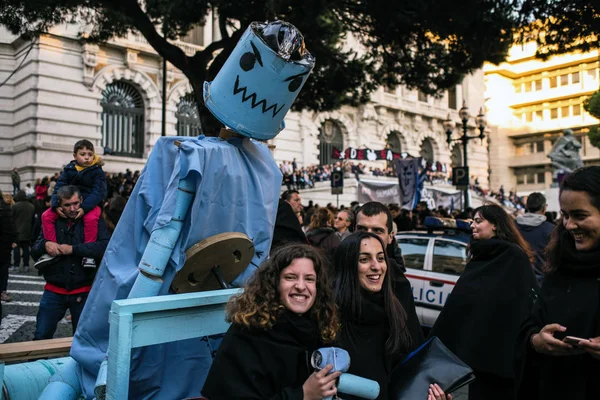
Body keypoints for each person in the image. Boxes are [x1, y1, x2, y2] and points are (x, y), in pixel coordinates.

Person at [202, 244, 341, 399]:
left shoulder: (319, 328)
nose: (301, 286)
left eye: (309, 279)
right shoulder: (248, 334)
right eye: (290, 277)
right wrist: (303, 395)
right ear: (274, 283)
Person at [430, 204, 538, 400]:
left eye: (478, 221)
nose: (473, 225)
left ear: (496, 225)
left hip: (501, 358)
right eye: (473, 221)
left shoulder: (513, 256)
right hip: (477, 358)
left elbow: (522, 304)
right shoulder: (479, 257)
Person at [332, 232, 451, 400]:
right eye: (364, 259)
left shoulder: (395, 311)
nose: (376, 266)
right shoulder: (330, 318)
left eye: (381, 258)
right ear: (348, 266)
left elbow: (409, 373)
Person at [518, 166, 600, 400]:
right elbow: (530, 326)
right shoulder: (560, 268)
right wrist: (536, 341)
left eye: (580, 216)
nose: (569, 225)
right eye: (565, 215)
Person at [30, 185, 109, 339]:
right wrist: (45, 244)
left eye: (76, 203)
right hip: (53, 290)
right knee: (41, 336)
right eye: (67, 205)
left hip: (83, 290)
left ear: (81, 200)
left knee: (81, 339)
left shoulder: (93, 219)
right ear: (59, 206)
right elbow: (34, 249)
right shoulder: (50, 221)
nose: (72, 209)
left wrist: (73, 249)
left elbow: (104, 247)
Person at [36, 139, 107, 269]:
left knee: (91, 219)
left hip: (89, 204)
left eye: (90, 154)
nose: (87, 157)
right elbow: (59, 187)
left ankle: (88, 254)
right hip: (68, 202)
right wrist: (56, 205)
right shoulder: (69, 169)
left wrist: (85, 208)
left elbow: (99, 192)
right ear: (75, 155)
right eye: (83, 154)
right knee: (46, 216)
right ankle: (52, 247)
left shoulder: (97, 171)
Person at [516, 192, 555, 285]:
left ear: (527, 206)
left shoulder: (513, 227)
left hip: (518, 281)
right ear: (544, 207)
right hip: (543, 282)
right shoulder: (551, 229)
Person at [11, 190, 35, 273]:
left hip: (17, 231)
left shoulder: (14, 206)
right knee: (26, 250)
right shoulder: (31, 206)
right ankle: (26, 265)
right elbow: (33, 221)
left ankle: (16, 265)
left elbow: (12, 219)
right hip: (27, 231)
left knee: (16, 249)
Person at [0, 189, 16, 303]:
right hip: (4, 245)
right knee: (3, 269)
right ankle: (2, 291)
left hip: (4, 244)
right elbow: (10, 227)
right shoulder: (6, 207)